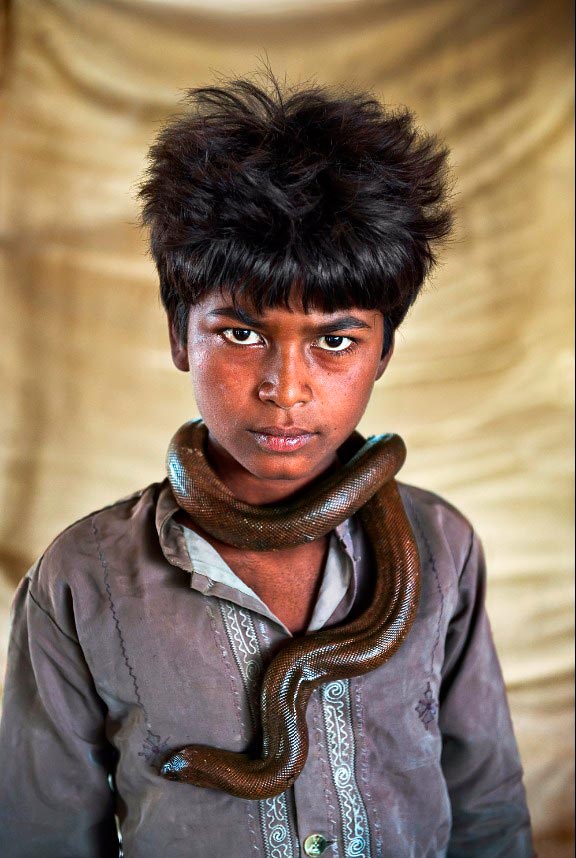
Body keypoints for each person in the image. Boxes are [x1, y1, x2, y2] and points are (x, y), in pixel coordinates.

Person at [0, 76, 533, 856]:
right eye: (242, 334)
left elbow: (488, 810)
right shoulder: (82, 581)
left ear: (384, 352)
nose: (286, 388)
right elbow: (40, 837)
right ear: (182, 336)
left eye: (336, 341)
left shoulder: (442, 547)